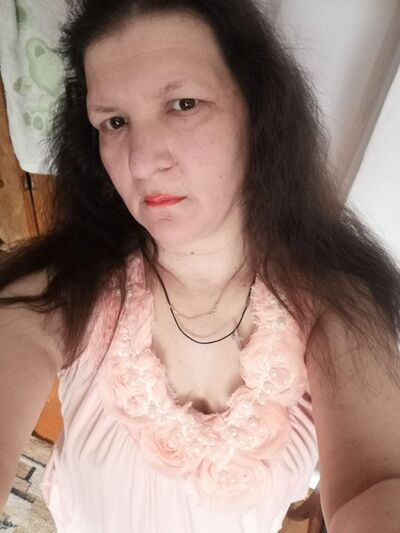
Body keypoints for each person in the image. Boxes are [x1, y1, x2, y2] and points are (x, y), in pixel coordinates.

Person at [1, 0, 400, 531]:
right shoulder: (54, 297)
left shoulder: (340, 309)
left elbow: (377, 482)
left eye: (183, 104)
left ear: (257, 111)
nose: (141, 161)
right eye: (114, 121)